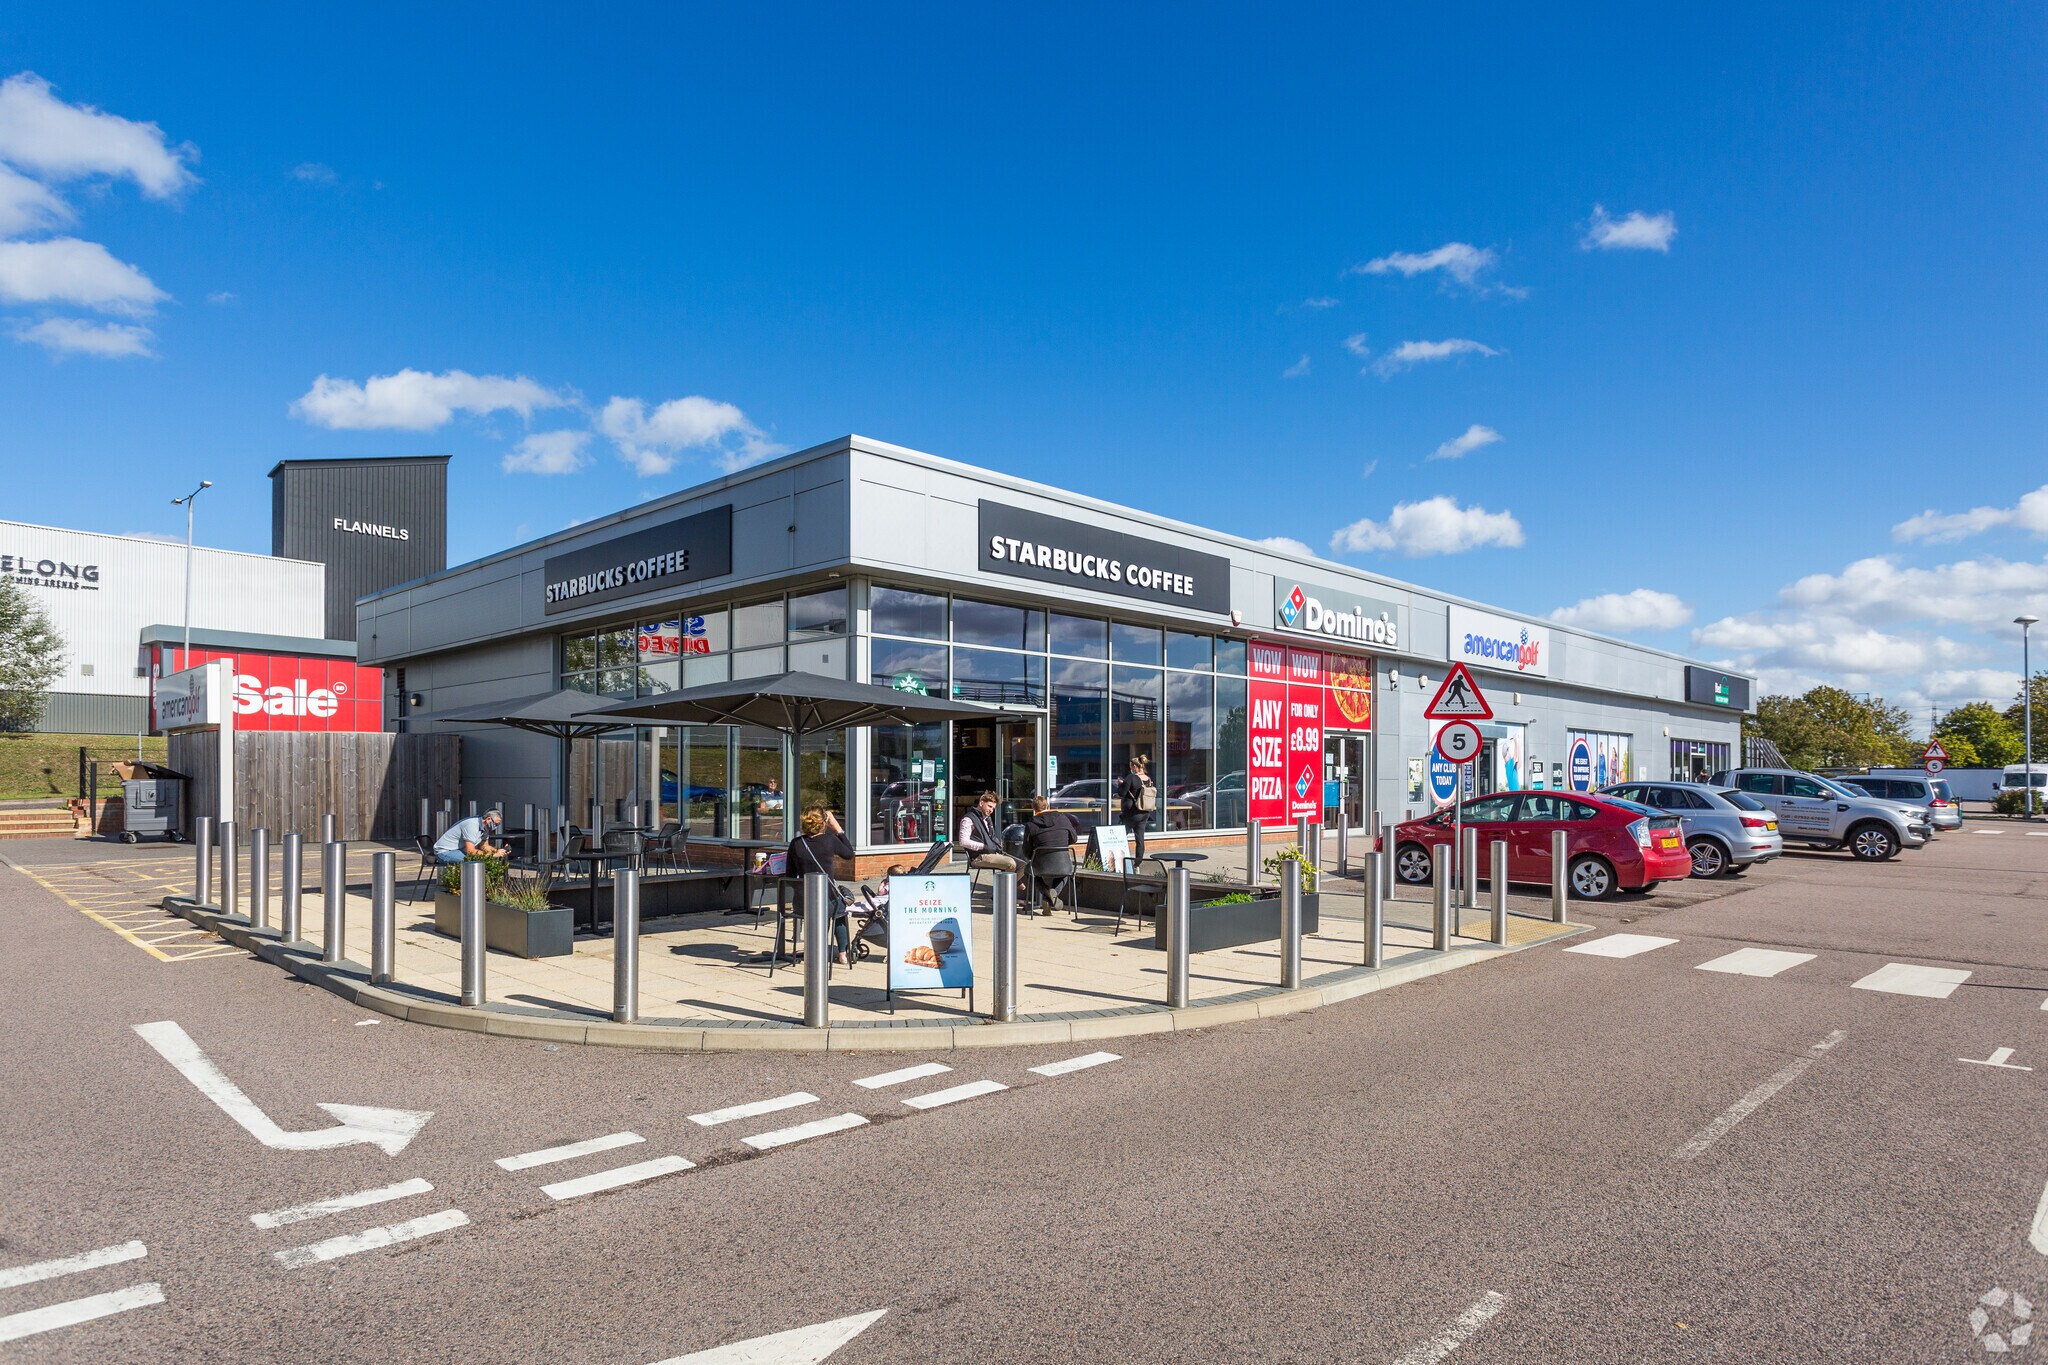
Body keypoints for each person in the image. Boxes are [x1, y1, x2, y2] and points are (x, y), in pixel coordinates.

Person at [787, 807, 855, 964]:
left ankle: (817, 950)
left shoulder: (796, 843)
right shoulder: (829, 840)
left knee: (827, 909)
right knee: (840, 910)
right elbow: (849, 854)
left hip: (802, 904)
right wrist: (837, 828)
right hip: (827, 902)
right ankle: (843, 953)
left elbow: (789, 875)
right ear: (824, 823)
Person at [1023, 795, 1078, 911]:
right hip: (1063, 864)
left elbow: (1026, 850)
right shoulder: (1063, 818)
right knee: (1067, 871)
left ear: (1034, 809)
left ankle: (1047, 894)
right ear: (1047, 806)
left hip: (1041, 865)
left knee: (1028, 871)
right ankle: (1052, 894)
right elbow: (1074, 838)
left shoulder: (1030, 825)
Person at [956, 790, 1024, 876]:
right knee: (1010, 863)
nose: (991, 810)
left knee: (1023, 865)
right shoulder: (968, 819)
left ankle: (1012, 886)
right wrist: (983, 846)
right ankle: (1006, 888)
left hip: (992, 853)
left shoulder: (987, 819)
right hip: (978, 857)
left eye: (993, 808)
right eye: (989, 806)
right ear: (981, 803)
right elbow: (963, 841)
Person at [434, 807, 508, 864]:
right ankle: (470, 883)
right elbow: (471, 852)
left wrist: (498, 851)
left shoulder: (485, 828)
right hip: (444, 852)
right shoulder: (472, 825)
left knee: (482, 859)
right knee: (474, 861)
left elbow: (484, 846)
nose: (496, 826)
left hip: (458, 850)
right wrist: (493, 855)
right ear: (488, 819)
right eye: (496, 824)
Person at [1118, 755, 1157, 859]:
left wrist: (1121, 784)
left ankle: (1120, 861)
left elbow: (1122, 793)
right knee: (1140, 839)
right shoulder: (1148, 779)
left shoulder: (1131, 777)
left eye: (1131, 767)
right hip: (1144, 812)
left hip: (1132, 812)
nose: (1131, 769)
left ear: (1135, 766)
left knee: (1119, 837)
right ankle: (1138, 863)